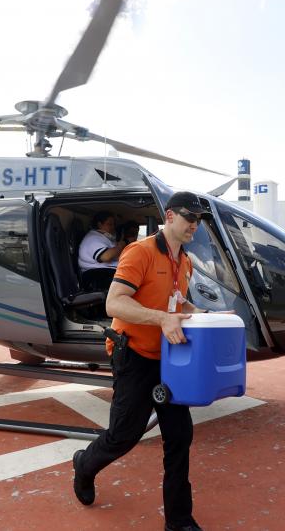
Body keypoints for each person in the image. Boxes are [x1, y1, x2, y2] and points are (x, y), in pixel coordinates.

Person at [72, 192, 208, 531]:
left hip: (169, 361)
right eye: (190, 217)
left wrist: (205, 315)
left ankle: (179, 521)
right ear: (171, 216)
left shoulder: (185, 261)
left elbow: (178, 303)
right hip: (133, 355)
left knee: (180, 437)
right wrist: (162, 319)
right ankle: (84, 464)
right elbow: (115, 304)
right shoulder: (140, 251)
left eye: (200, 219)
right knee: (123, 436)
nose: (195, 224)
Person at [78, 211, 128, 291]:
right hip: (98, 277)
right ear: (99, 224)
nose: (113, 227)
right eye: (109, 224)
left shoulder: (104, 238)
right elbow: (105, 256)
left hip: (106, 273)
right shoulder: (93, 238)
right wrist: (121, 245)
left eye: (113, 224)